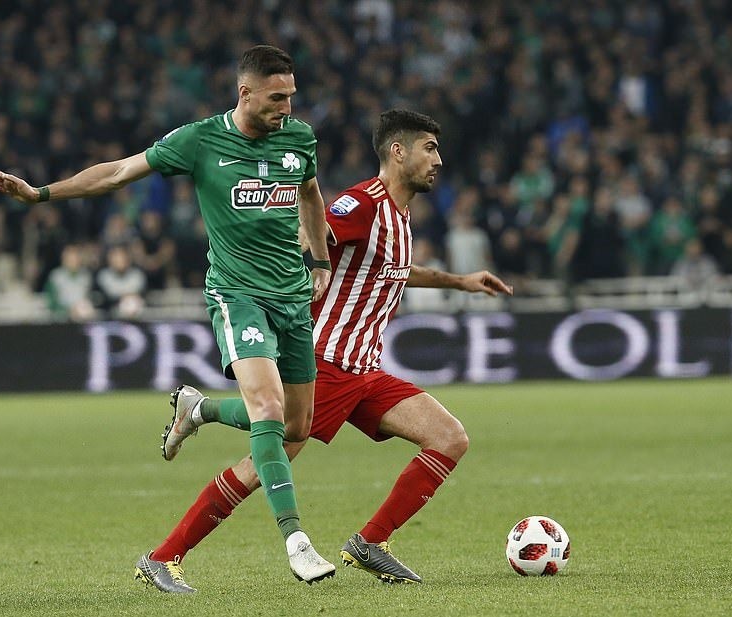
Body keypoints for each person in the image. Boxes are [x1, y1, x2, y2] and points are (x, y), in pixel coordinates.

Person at [0, 45, 336, 590]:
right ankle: (297, 540)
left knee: (295, 426)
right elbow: (119, 172)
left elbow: (310, 194)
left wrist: (317, 259)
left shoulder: (299, 138)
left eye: (290, 96)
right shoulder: (198, 140)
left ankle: (202, 410)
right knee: (267, 406)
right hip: (237, 294)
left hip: (292, 297)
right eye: (276, 97)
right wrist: (42, 194)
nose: (286, 107)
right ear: (245, 93)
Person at [158, 109, 512, 589]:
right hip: (324, 362)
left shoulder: (400, 216)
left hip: (366, 370)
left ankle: (370, 542)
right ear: (397, 151)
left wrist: (459, 282)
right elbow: (312, 230)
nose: (438, 160)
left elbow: (395, 271)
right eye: (429, 148)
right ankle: (164, 556)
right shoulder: (362, 204)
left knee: (449, 437)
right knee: (263, 465)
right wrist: (295, 255)